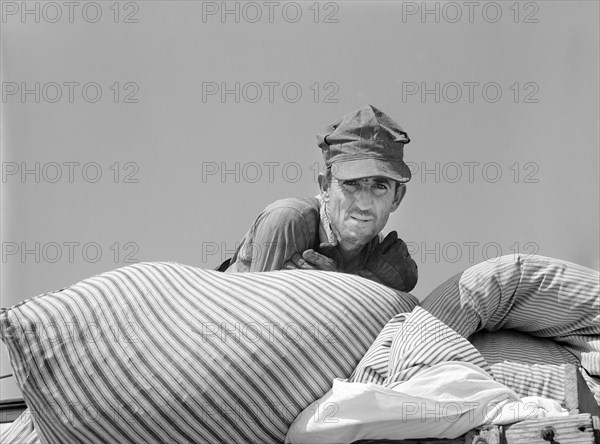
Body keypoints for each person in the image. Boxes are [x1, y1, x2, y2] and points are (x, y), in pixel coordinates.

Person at [219, 104, 418, 293]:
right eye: (350, 183)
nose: (364, 203)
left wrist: (342, 285)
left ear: (396, 198)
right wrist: (341, 287)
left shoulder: (383, 256)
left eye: (379, 186)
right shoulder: (289, 221)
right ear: (325, 188)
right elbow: (260, 322)